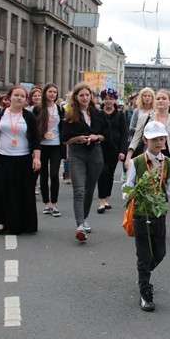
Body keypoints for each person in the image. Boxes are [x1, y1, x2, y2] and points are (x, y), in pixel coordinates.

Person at [122, 121, 170, 312]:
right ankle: (145, 290)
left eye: (162, 138)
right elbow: (127, 184)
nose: (159, 142)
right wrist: (129, 193)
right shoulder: (137, 162)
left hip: (159, 213)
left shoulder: (169, 164)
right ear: (146, 139)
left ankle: (145, 273)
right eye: (155, 138)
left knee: (160, 253)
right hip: (140, 213)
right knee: (144, 254)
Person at [0, 86, 41, 235]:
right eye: (16, 95)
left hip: (22, 159)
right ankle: (1, 221)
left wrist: (37, 158)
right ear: (9, 97)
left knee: (20, 192)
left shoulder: (29, 117)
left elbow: (35, 139)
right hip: (1, 158)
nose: (19, 98)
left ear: (25, 100)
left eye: (22, 96)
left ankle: (20, 223)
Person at [61, 83, 110, 242]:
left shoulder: (97, 114)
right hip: (78, 153)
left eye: (87, 95)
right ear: (76, 97)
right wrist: (79, 138)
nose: (84, 98)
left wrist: (97, 137)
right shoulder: (70, 115)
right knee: (79, 190)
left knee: (89, 190)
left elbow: (106, 135)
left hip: (95, 154)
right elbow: (65, 139)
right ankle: (80, 225)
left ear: (91, 97)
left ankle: (84, 219)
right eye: (81, 95)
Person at [34, 83, 66, 217]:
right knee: (43, 175)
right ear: (45, 93)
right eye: (50, 91)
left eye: (54, 92)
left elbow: (63, 128)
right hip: (42, 145)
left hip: (55, 145)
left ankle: (54, 203)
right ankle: (46, 203)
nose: (52, 94)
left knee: (54, 174)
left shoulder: (59, 109)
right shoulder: (38, 109)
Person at [96, 88, 128, 214]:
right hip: (100, 147)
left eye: (111, 98)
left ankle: (107, 198)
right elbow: (95, 129)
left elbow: (124, 133)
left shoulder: (120, 114)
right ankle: (101, 201)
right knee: (102, 173)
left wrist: (122, 151)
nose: (108, 101)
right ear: (102, 99)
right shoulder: (98, 113)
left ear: (115, 100)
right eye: (106, 98)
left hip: (114, 149)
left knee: (110, 174)